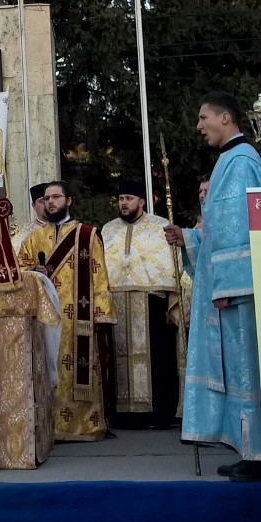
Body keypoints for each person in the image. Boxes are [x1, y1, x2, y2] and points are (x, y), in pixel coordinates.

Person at [171, 91, 261, 481]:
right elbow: (216, 232)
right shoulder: (232, 159)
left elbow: (237, 230)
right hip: (230, 288)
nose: (198, 126)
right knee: (236, 369)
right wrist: (189, 239)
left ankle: (257, 453)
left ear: (225, 117)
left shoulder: (240, 161)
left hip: (237, 290)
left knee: (245, 368)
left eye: (203, 117)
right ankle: (246, 448)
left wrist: (229, 284)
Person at [18, 181, 114, 442]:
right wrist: (33, 272)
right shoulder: (33, 238)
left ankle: (84, 426)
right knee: (47, 366)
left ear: (68, 200)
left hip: (77, 318)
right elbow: (20, 269)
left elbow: (99, 274)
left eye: (56, 197)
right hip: (45, 316)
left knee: (77, 369)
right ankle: (48, 427)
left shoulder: (88, 235)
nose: (51, 202)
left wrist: (101, 314)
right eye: (47, 198)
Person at [101, 177, 182, 430]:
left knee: (157, 359)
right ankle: (122, 415)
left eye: (129, 199)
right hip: (116, 302)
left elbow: (174, 266)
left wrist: (173, 302)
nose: (124, 204)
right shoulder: (107, 229)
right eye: (121, 199)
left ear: (142, 202)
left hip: (151, 303)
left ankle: (159, 414)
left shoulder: (160, 227)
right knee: (117, 359)